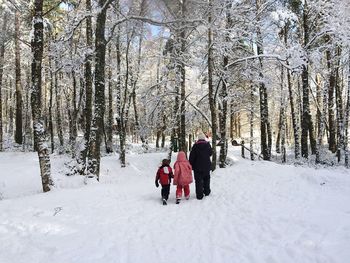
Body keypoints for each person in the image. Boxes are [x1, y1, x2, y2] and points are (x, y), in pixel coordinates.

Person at [189, 131, 213, 200]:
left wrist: (191, 165)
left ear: (198, 139)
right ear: (204, 138)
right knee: (206, 179)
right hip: (206, 166)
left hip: (197, 167)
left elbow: (192, 157)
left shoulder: (195, 146)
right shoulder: (208, 145)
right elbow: (210, 153)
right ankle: (207, 191)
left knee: (198, 181)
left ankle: (199, 195)